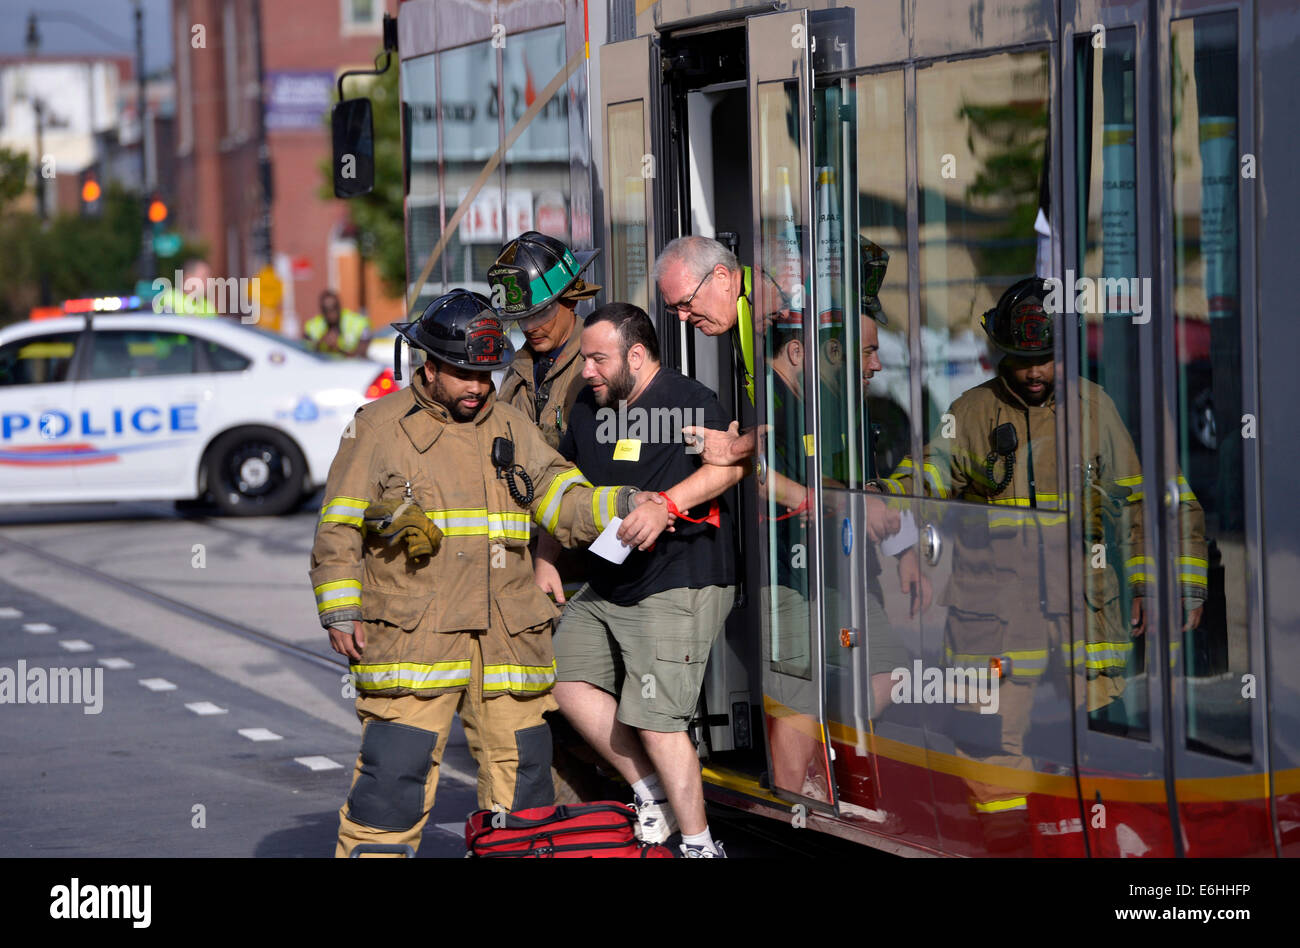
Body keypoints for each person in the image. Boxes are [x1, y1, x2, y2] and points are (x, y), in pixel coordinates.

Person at [307, 289, 663, 857]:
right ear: (430, 366)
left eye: (486, 374)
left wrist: (618, 503)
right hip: (413, 637)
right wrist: (341, 609)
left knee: (524, 794)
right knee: (393, 780)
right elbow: (339, 528)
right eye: (463, 374)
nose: (477, 387)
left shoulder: (511, 426)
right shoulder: (376, 428)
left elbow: (559, 496)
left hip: (506, 640)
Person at [882, 277, 1207, 843]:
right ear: (1002, 354)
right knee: (990, 755)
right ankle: (1008, 848)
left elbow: (1144, 503)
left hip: (1085, 623)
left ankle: (1087, 846)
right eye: (1023, 360)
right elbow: (932, 470)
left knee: (1094, 754)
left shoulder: (1095, 409)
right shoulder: (971, 411)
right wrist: (892, 504)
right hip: (994, 627)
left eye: (1046, 360)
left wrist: (1164, 587)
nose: (1035, 372)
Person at [543, 302, 747, 857]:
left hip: (679, 578)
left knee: (656, 720)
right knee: (561, 676)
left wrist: (664, 505)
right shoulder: (588, 405)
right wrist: (546, 560)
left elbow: (730, 467)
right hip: (610, 580)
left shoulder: (689, 400)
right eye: (585, 358)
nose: (585, 370)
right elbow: (562, 486)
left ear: (637, 355)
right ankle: (649, 789)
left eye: (597, 359)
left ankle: (702, 847)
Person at [303, 290, 370, 356]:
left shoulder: (359, 323)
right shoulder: (312, 326)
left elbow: (361, 356)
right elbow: (305, 354)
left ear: (340, 307)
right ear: (321, 310)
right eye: (326, 309)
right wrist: (320, 344)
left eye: (334, 307)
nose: (330, 313)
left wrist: (338, 348)